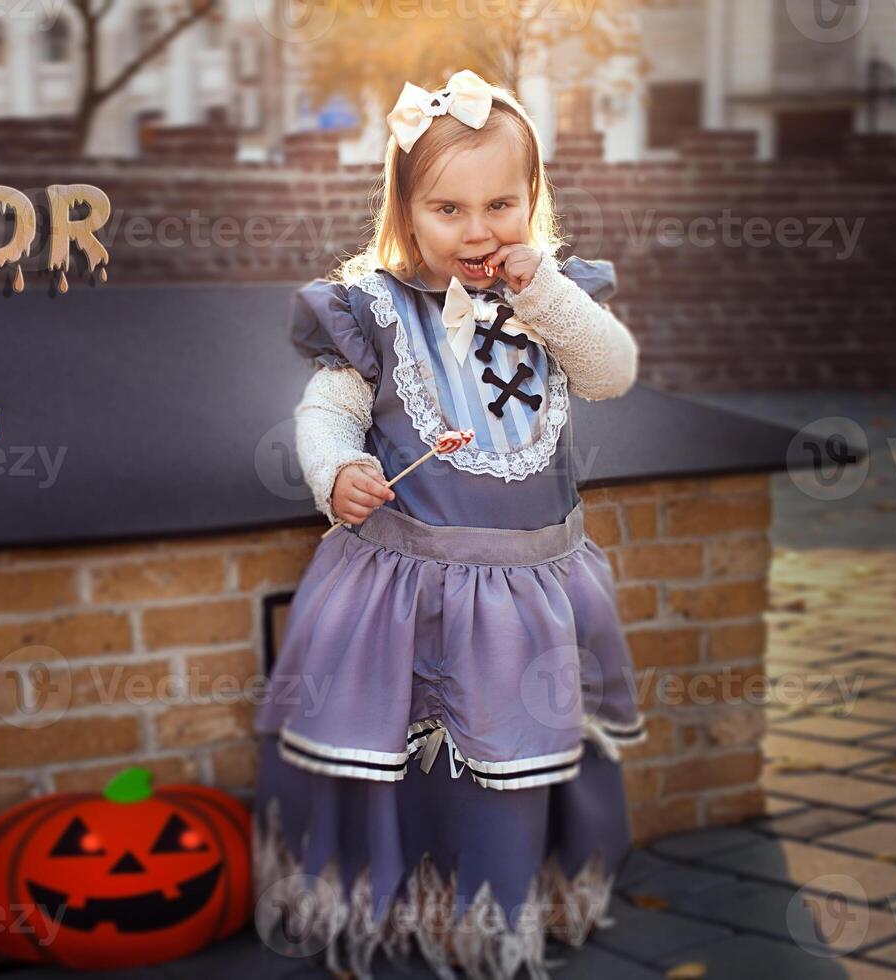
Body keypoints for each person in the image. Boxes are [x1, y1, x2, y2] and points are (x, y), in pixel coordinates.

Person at [252, 69, 647, 980]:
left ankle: (503, 907)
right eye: (449, 209)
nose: (479, 232)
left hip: (537, 594)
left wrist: (541, 290)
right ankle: (397, 903)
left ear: (533, 201)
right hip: (411, 591)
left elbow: (613, 371)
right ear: (407, 213)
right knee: (411, 756)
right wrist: (337, 470)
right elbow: (327, 413)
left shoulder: (555, 307)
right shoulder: (376, 315)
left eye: (502, 204)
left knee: (525, 755)